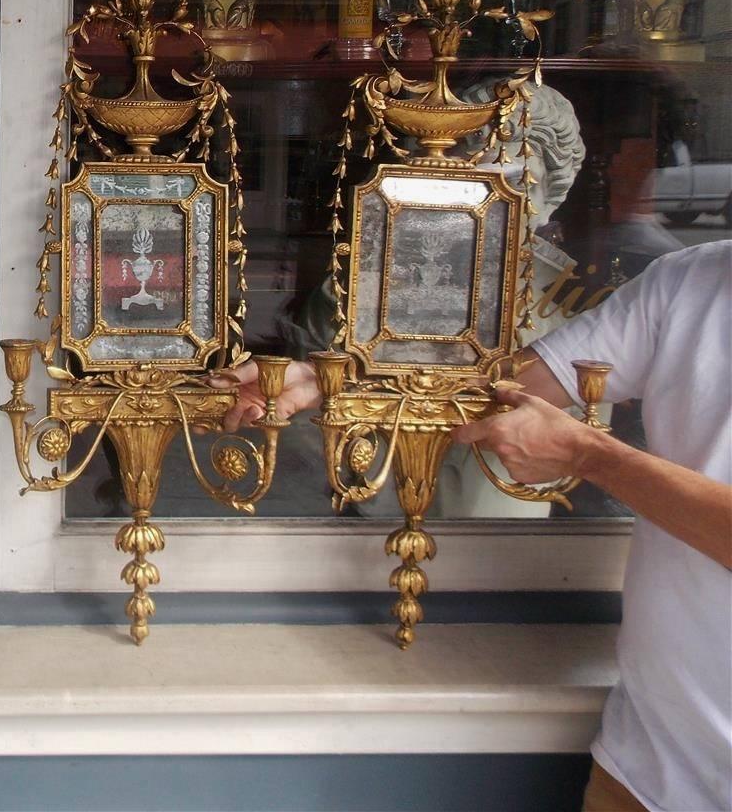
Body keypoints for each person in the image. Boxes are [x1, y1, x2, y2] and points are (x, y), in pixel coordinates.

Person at [214, 241, 732, 812]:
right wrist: (334, 382)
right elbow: (516, 385)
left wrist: (592, 457)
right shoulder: (693, 279)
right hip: (648, 767)